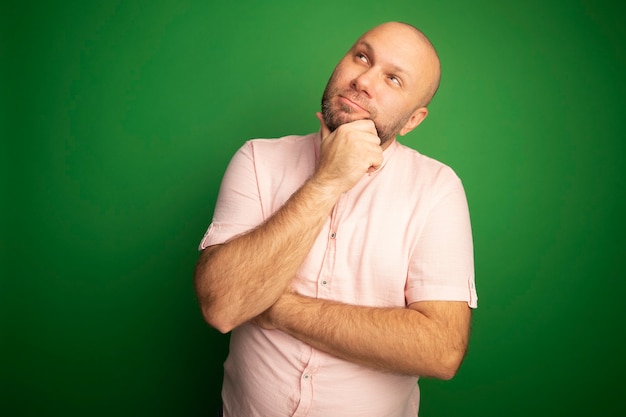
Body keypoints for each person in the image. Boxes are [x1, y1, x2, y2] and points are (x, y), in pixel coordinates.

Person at [194, 21, 478, 417]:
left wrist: (272, 306)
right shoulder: (258, 160)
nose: (364, 80)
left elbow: (441, 350)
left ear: (413, 121)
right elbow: (222, 305)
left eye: (393, 79)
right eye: (362, 56)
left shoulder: (437, 189)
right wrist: (327, 181)